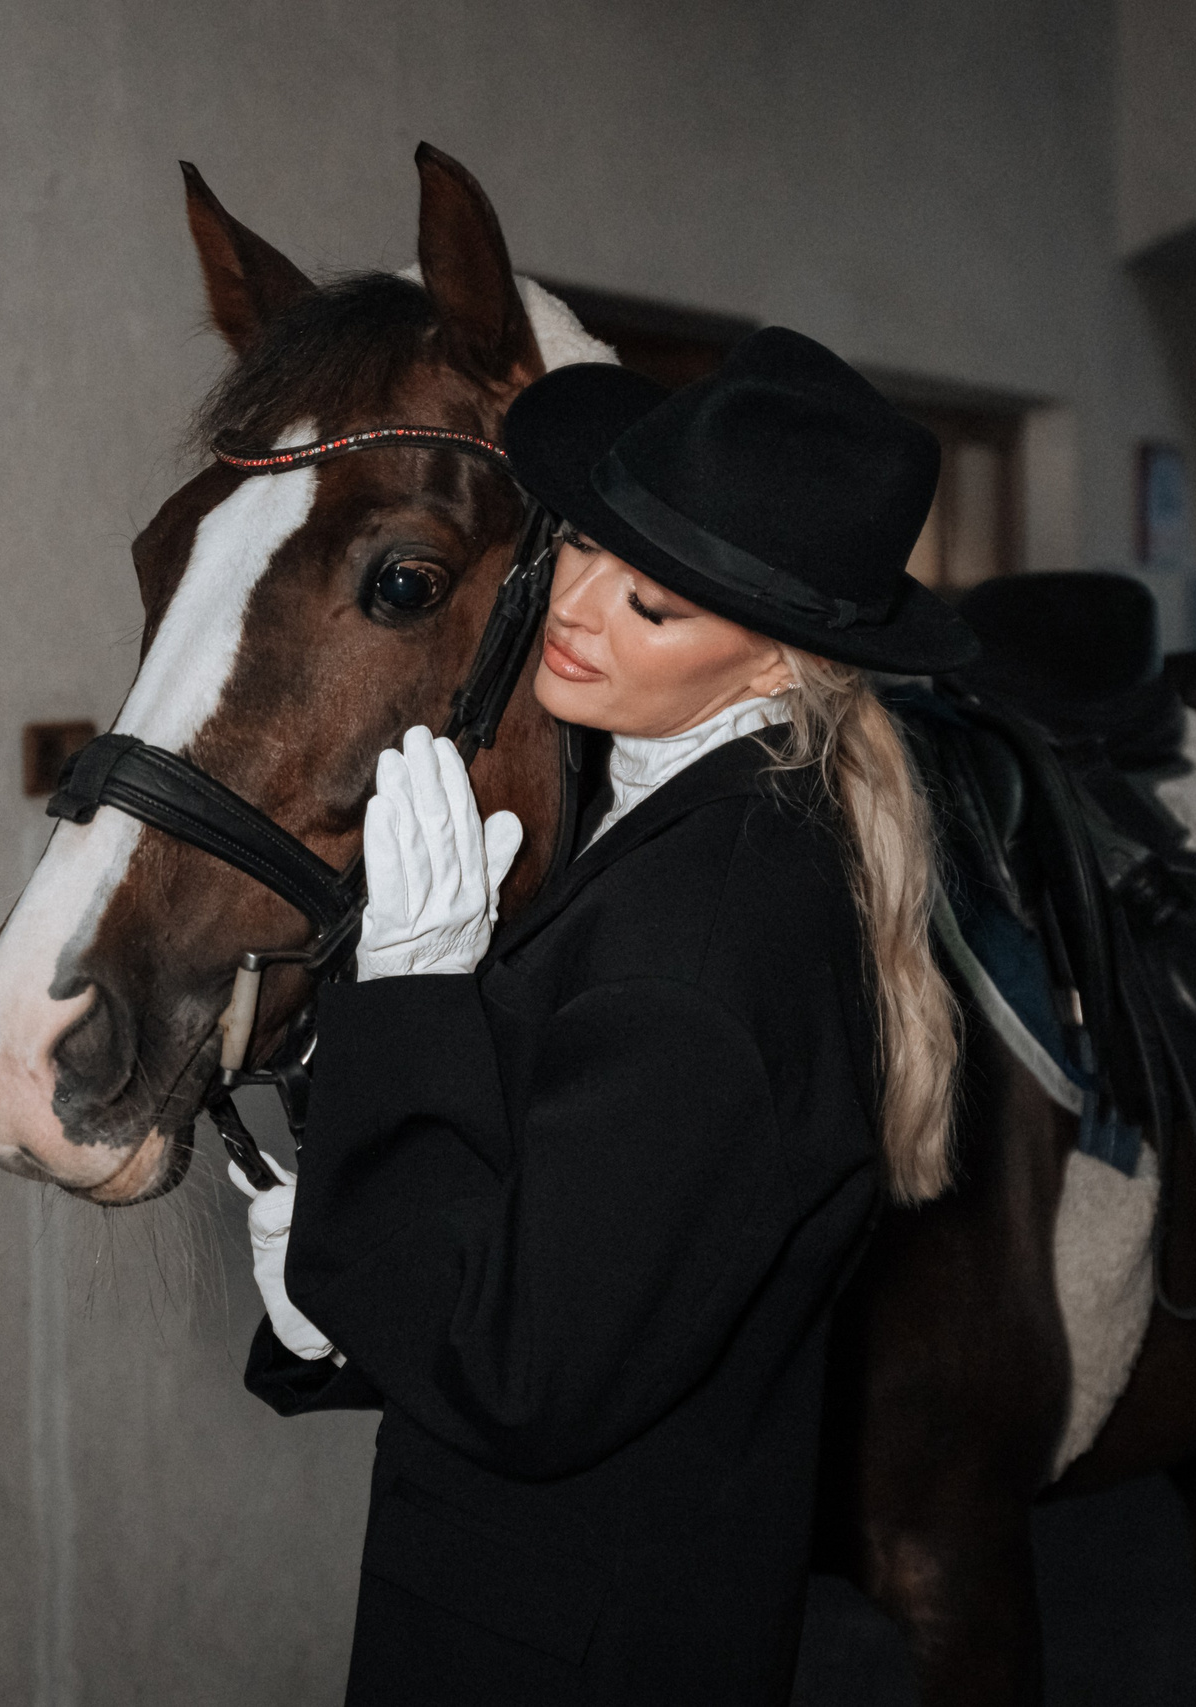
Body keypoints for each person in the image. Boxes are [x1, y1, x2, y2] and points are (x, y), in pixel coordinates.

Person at [236, 327, 980, 1705]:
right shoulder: (684, 828)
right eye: (585, 548)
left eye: (654, 605)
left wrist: (412, 997)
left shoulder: (701, 942)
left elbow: (521, 1378)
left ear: (772, 667)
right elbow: (582, 1288)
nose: (576, 606)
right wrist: (341, 1272)